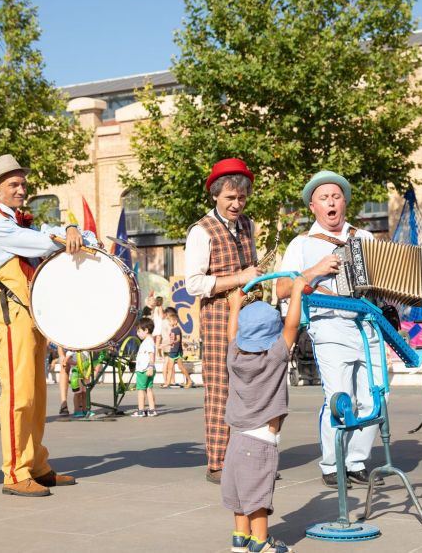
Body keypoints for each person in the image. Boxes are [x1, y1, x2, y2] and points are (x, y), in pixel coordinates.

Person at [276, 170, 422, 488]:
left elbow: (391, 281)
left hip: (368, 325)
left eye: (336, 196)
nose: (331, 202)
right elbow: (282, 288)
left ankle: (356, 461)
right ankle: (332, 463)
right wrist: (315, 270)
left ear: (345, 203)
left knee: (377, 395)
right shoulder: (302, 244)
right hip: (329, 325)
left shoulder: (364, 239)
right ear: (313, 206)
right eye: (324, 198)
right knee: (340, 397)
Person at [0, 153, 92, 497]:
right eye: (13, 184)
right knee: (18, 394)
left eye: (23, 183)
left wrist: (70, 228)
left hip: (33, 312)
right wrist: (65, 232)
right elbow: (41, 243)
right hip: (14, 313)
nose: (21, 189)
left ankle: (37, 464)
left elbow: (50, 234)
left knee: (37, 393)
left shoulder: (18, 222)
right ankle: (15, 472)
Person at [184, 158, 261, 484]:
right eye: (230, 197)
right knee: (219, 388)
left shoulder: (248, 226)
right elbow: (193, 284)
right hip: (217, 315)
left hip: (250, 314)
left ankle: (248, 456)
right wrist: (237, 278)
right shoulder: (201, 232)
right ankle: (217, 462)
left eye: (241, 198)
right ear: (215, 195)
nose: (236, 204)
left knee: (252, 387)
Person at [222, 275, 307, 553]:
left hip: (235, 439)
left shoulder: (233, 355)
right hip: (260, 441)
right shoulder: (275, 356)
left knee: (238, 493)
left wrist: (235, 305)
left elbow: (232, 334)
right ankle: (261, 543)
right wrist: (296, 292)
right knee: (257, 495)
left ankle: (240, 539)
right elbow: (292, 325)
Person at [130, 318, 158, 417]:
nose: (137, 333)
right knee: (149, 389)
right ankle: (152, 410)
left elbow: (151, 355)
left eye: (139, 331)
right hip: (148, 369)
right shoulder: (149, 341)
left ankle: (141, 410)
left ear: (146, 330)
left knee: (141, 390)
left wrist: (150, 366)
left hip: (144, 370)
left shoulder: (148, 341)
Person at [161, 307, 194, 388]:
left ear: (175, 321)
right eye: (168, 321)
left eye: (170, 321)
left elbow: (178, 339)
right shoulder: (172, 330)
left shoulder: (176, 329)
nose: (169, 322)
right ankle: (168, 383)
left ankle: (189, 380)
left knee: (179, 367)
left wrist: (168, 343)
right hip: (173, 350)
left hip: (176, 351)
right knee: (170, 367)